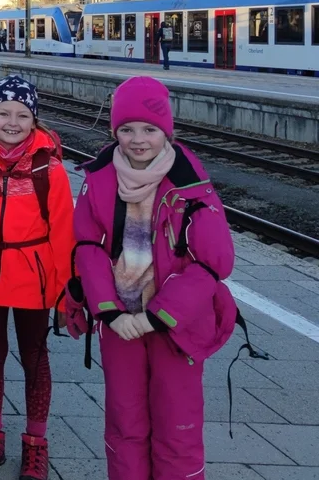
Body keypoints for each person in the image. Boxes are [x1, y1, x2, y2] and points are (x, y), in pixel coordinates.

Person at [65, 77, 236, 480]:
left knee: (177, 424)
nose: (137, 140)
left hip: (174, 326)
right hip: (120, 321)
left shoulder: (193, 188)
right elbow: (88, 246)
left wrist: (156, 315)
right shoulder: (101, 177)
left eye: (149, 129)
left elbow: (213, 264)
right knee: (125, 422)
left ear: (167, 131)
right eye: (126, 129)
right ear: (114, 131)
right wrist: (108, 312)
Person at [0, 75, 75, 480]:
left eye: (22, 115)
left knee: (36, 361)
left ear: (34, 119)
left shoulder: (51, 169)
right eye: (3, 113)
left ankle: (36, 444)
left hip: (35, 280)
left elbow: (63, 233)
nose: (12, 121)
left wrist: (64, 296)